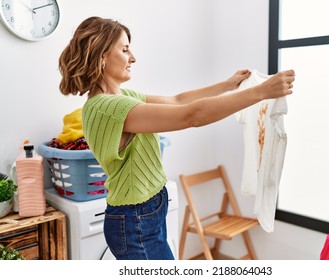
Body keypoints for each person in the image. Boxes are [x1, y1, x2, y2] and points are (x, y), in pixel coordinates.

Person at [58, 16, 295, 260]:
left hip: (145, 213)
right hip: (135, 220)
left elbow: (178, 101)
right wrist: (260, 92)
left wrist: (227, 85)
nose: (133, 58)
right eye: (125, 49)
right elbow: (189, 116)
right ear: (102, 56)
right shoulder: (107, 107)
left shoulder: (124, 96)